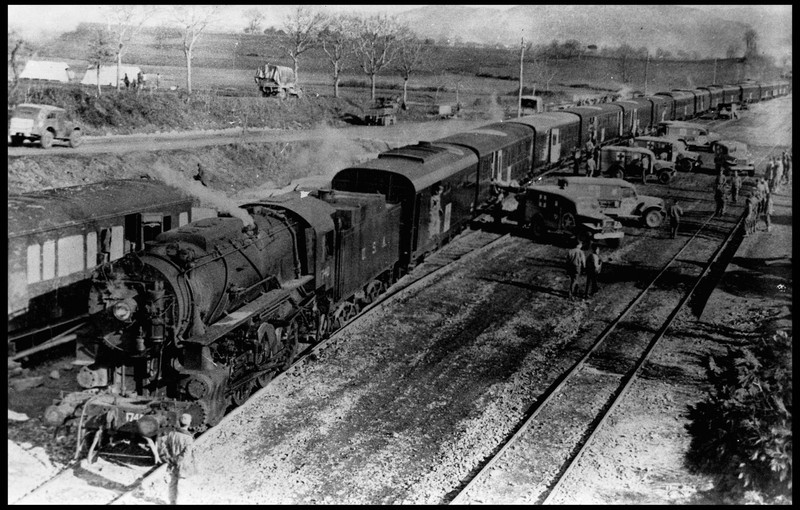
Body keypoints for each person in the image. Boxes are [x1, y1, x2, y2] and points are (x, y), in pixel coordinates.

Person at [158, 413, 196, 505]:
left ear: (179, 422)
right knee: (182, 485)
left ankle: (172, 502)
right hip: (182, 465)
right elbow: (186, 453)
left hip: (172, 463)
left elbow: (163, 444)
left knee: (172, 484)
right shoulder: (188, 438)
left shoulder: (171, 434)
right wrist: (178, 460)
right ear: (189, 423)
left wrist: (169, 457)